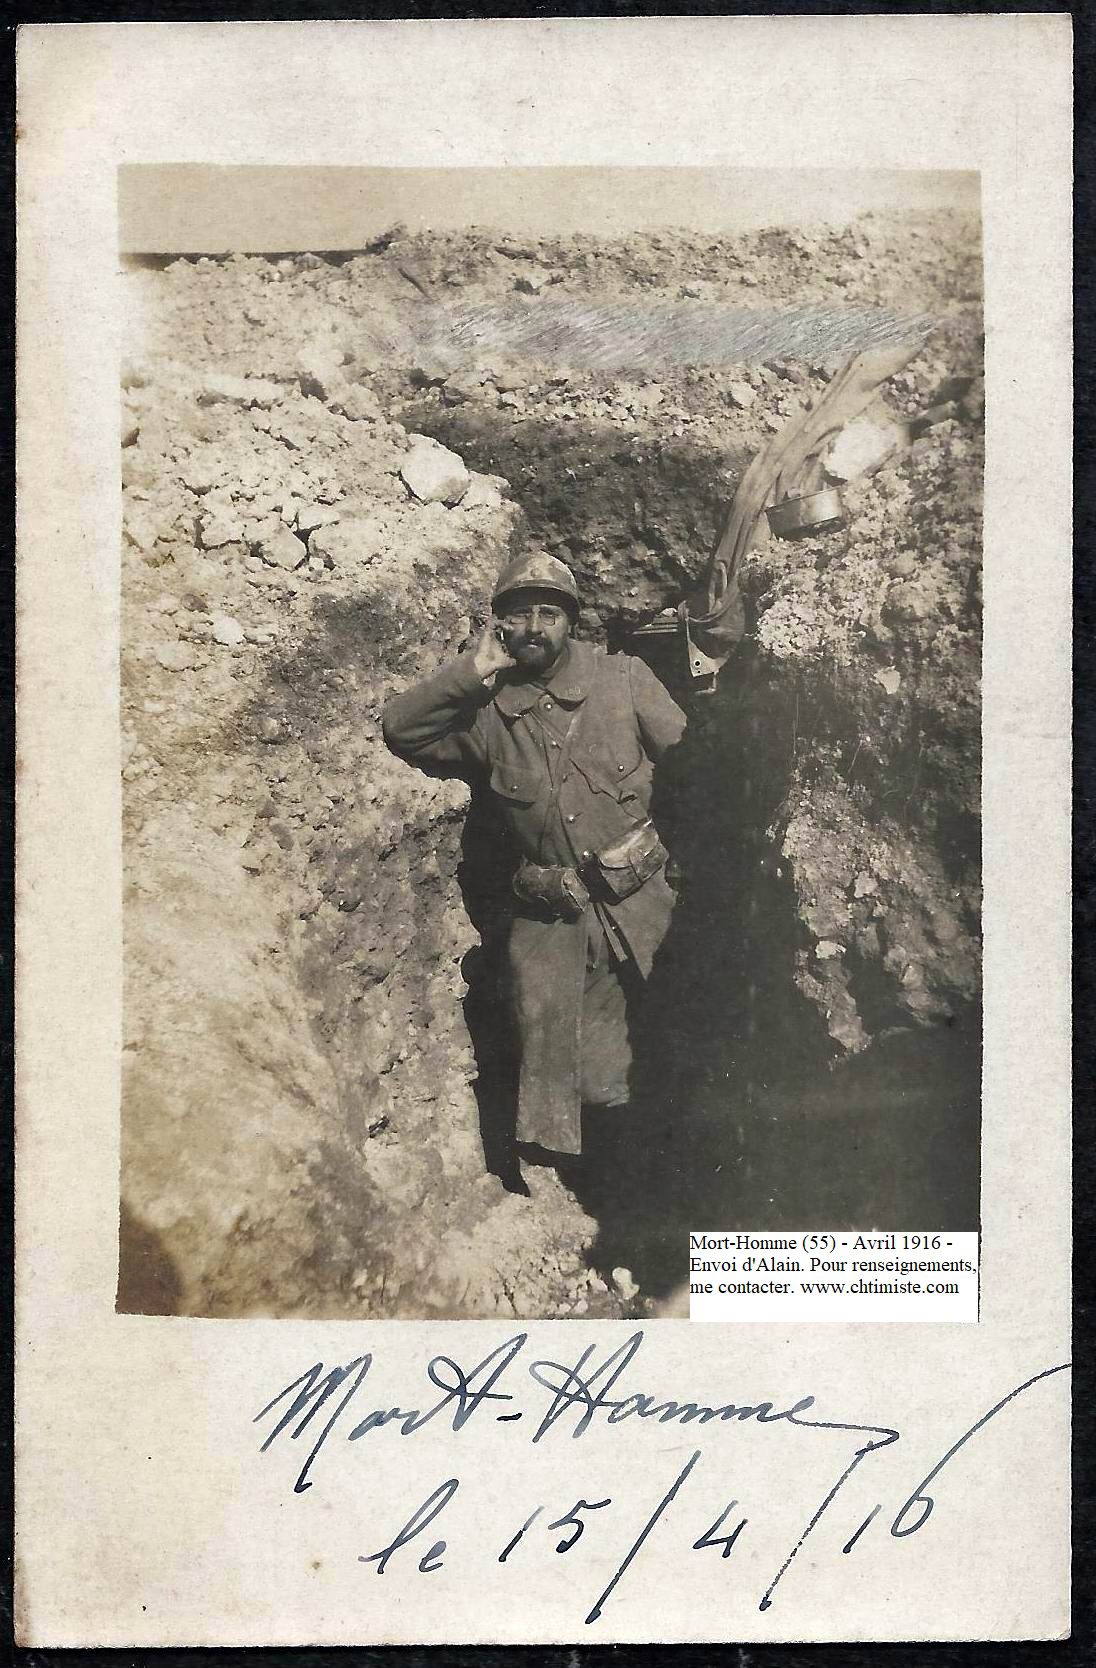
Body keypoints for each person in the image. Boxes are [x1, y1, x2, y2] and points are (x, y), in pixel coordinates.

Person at [382, 550, 686, 1180]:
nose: (534, 628)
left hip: (650, 903)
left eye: (549, 614)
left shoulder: (624, 679)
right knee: (589, 1078)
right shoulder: (486, 713)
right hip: (557, 919)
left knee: (680, 1038)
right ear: (499, 625)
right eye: (519, 615)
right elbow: (402, 730)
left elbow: (694, 767)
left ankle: (677, 1176)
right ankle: (618, 1180)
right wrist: (472, 671)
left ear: (571, 621)